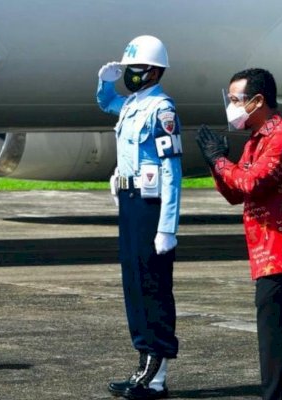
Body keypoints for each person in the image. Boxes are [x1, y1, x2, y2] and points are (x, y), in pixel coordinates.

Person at [196, 68, 282, 400]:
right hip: (274, 258)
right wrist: (216, 165)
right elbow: (237, 194)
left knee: (277, 354)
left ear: (257, 100)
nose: (232, 106)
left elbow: (252, 182)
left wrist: (220, 160)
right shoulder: (258, 139)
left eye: (236, 99)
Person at [96, 35, 182, 400]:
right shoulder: (132, 104)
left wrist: (167, 227)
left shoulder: (162, 111)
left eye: (134, 69)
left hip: (151, 205)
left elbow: (172, 173)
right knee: (133, 280)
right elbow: (106, 103)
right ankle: (144, 361)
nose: (129, 74)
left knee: (152, 284)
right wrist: (105, 80)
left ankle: (156, 370)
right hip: (129, 199)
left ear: (154, 71)